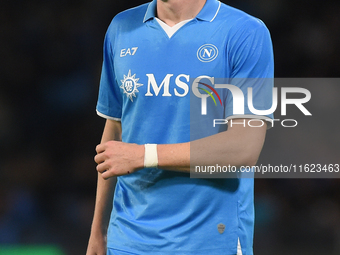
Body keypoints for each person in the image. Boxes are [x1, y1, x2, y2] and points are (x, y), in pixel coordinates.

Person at [86, 0, 274, 254]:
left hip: (209, 241)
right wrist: (99, 232)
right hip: (128, 241)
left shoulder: (245, 31)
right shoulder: (121, 27)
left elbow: (243, 149)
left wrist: (145, 156)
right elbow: (115, 133)